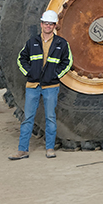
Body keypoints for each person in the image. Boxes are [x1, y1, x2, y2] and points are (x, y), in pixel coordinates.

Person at [9, 9, 72, 160]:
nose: (48, 26)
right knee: (28, 118)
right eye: (45, 23)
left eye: (51, 24)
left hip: (51, 86)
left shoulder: (61, 44)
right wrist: (29, 73)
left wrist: (55, 75)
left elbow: (68, 62)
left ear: (55, 26)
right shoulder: (32, 43)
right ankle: (22, 150)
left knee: (50, 117)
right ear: (41, 24)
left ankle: (50, 148)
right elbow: (21, 59)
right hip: (32, 86)